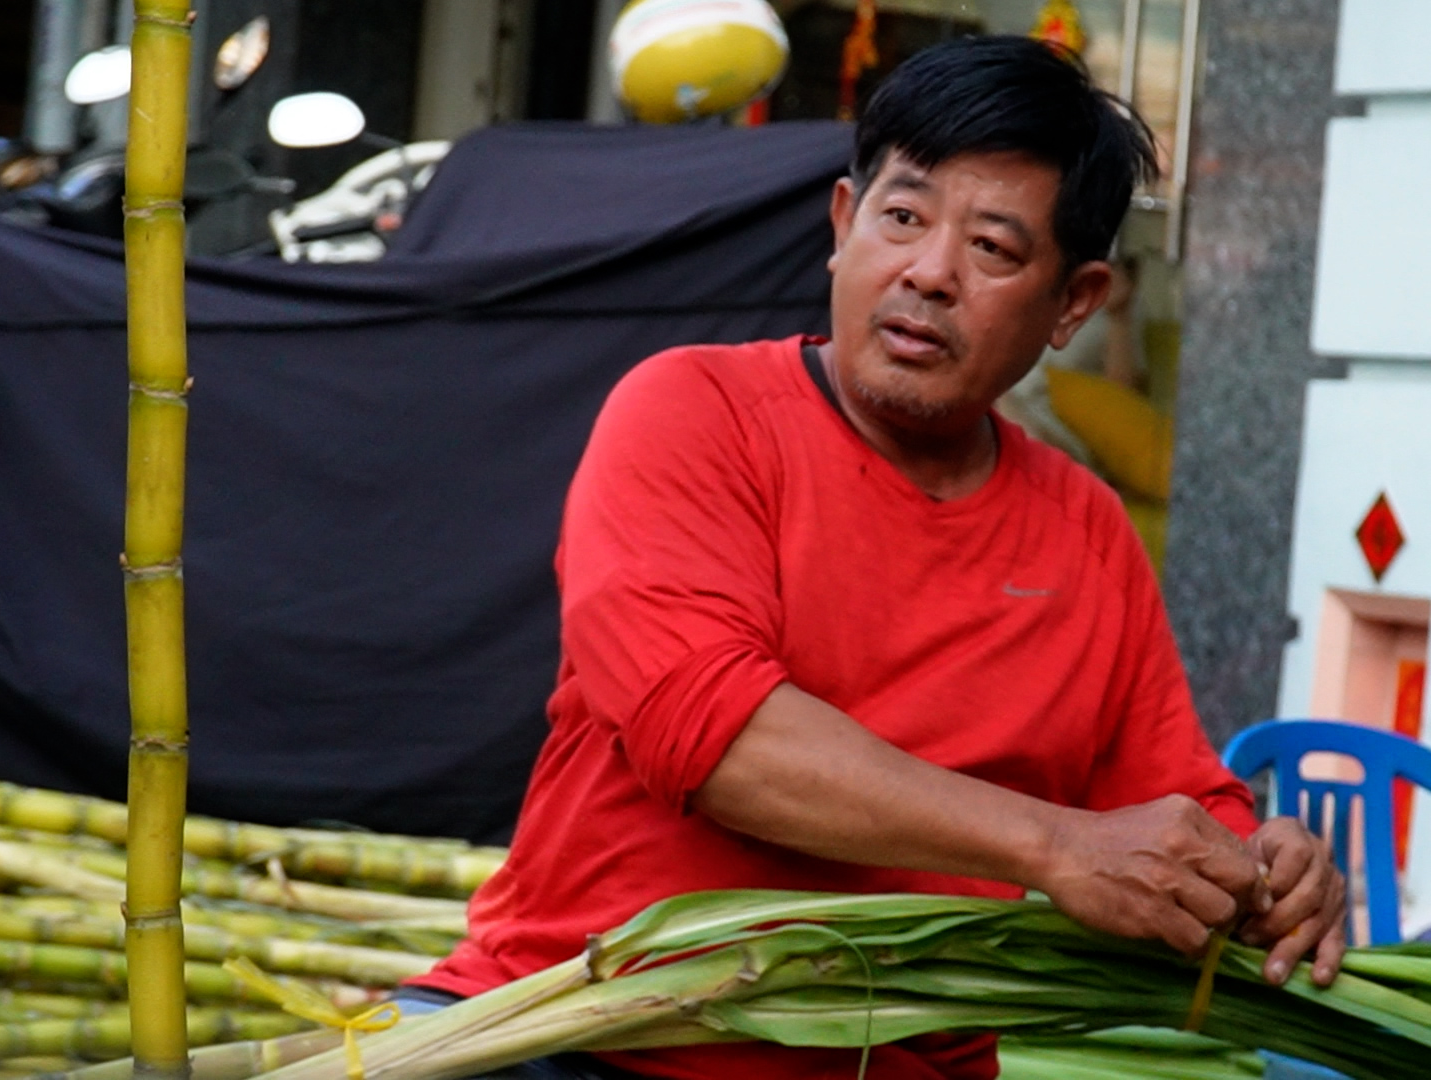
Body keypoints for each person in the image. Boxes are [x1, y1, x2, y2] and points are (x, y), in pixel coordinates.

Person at [398, 35, 1347, 1080]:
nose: (929, 274)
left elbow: (1170, 800)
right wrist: (1052, 846)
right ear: (844, 227)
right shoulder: (691, 414)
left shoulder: (1083, 528)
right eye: (902, 218)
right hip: (579, 1037)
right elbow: (720, 746)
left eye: (992, 248)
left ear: (1073, 304)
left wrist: (1261, 870)